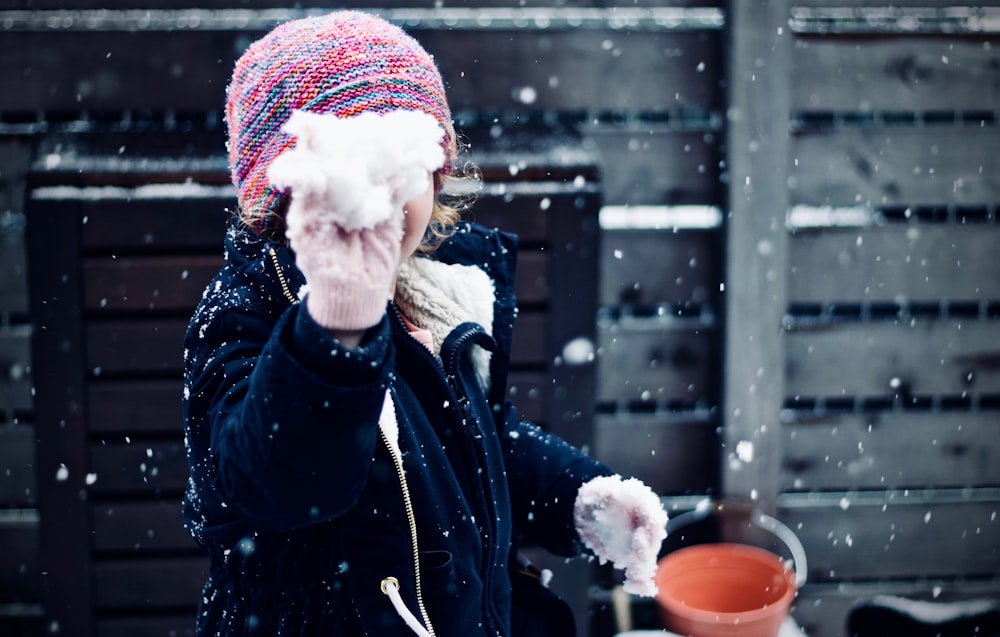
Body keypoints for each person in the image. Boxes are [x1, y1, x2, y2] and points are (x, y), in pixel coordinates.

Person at [182, 11, 667, 636]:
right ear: (282, 190)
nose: (379, 198)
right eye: (352, 177)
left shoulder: (438, 295)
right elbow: (275, 482)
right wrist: (336, 327)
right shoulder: (244, 313)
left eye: (397, 170)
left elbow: (477, 440)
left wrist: (575, 497)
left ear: (435, 176)